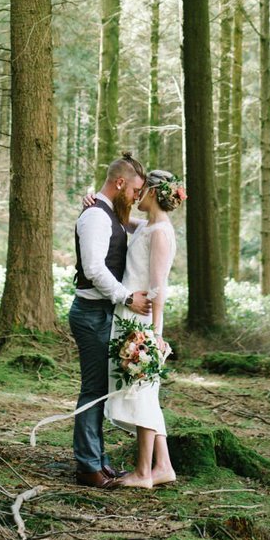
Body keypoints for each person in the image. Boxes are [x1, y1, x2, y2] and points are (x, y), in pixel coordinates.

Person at [69, 152, 151, 488]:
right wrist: (127, 297)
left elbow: (148, 226)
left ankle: (98, 462)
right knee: (93, 390)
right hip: (91, 314)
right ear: (119, 184)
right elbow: (93, 269)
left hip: (102, 313)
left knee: (100, 390)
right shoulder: (96, 218)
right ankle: (88, 466)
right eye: (134, 191)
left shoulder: (111, 215)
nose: (136, 198)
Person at [104, 168, 183, 489]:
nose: (136, 196)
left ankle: (142, 473)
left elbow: (158, 287)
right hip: (129, 316)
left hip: (142, 322)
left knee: (141, 394)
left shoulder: (161, 232)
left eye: (141, 191)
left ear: (152, 192)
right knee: (145, 392)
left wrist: (155, 334)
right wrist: (97, 204)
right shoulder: (149, 227)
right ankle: (162, 466)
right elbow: (126, 226)